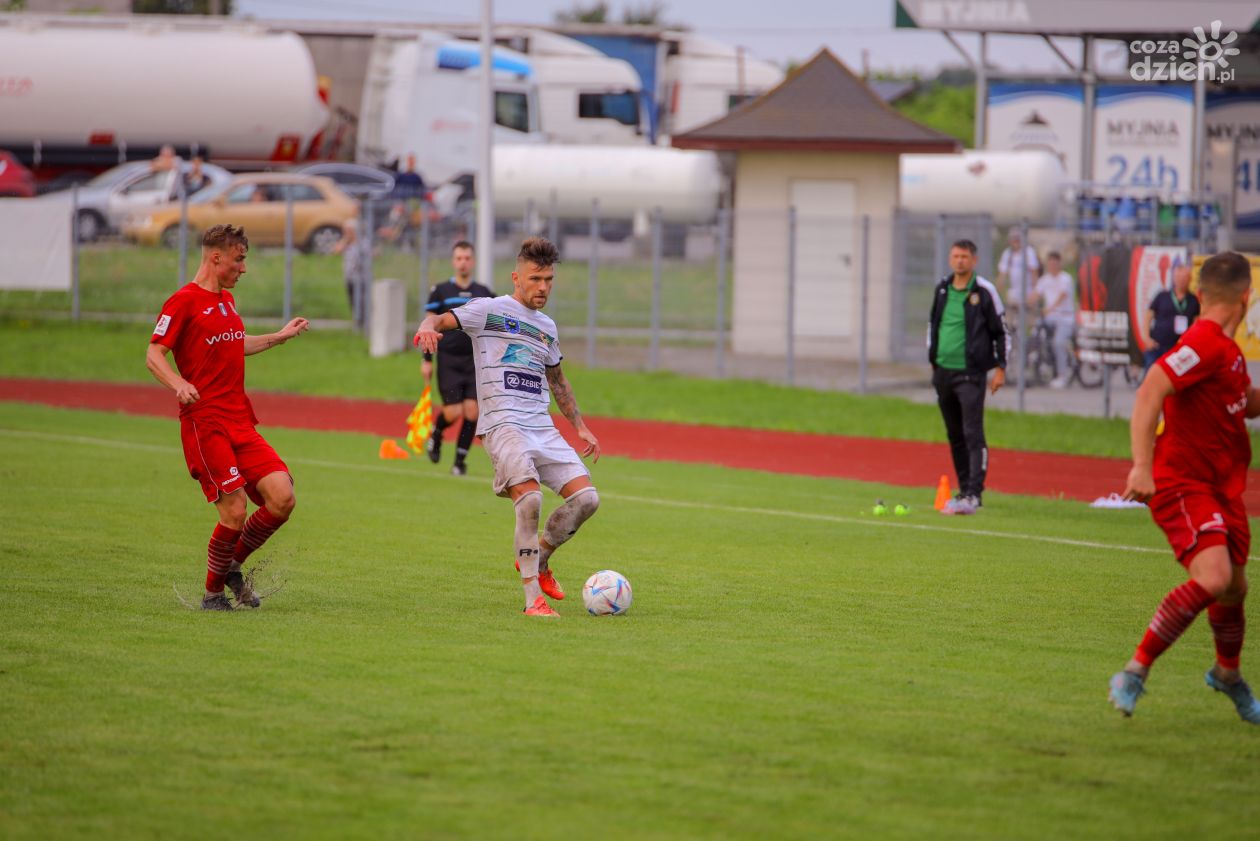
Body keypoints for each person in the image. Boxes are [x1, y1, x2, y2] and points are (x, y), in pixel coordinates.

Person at [413, 236, 601, 617]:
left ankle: (540, 557)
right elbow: (438, 319)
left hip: (541, 427)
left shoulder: (547, 327)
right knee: (530, 500)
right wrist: (427, 326)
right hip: (503, 424)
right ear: (517, 278)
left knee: (587, 500)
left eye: (549, 280)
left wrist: (580, 426)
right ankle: (533, 600)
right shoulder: (488, 310)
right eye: (535, 279)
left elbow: (558, 381)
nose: (543, 287)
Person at [1110, 251, 1260, 724]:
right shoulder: (1205, 342)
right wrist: (1142, 466)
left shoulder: (1228, 352)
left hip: (1222, 488)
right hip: (1182, 482)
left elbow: (1243, 402)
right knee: (1214, 578)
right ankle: (1134, 671)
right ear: (1247, 296)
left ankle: (1227, 674)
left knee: (1234, 588)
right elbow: (1151, 387)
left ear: (1199, 293)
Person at [146, 224, 310, 611]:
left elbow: (236, 344)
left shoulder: (227, 302)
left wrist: (278, 336)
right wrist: (178, 383)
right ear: (216, 258)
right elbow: (154, 354)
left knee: (282, 498)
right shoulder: (182, 302)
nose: (244, 268)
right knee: (235, 512)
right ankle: (212, 595)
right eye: (239, 260)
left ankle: (232, 566)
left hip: (239, 419)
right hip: (206, 424)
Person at [927, 239, 1008, 516]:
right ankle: (963, 491)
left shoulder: (984, 291)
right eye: (955, 256)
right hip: (943, 372)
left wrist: (1000, 367)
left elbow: (1001, 331)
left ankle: (975, 493)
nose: (959, 261)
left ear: (974, 260)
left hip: (971, 374)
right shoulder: (942, 288)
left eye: (964, 256)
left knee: (973, 432)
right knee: (955, 434)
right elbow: (933, 325)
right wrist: (933, 360)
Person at [421, 240, 494, 475]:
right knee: (453, 413)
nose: (463, 262)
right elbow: (428, 327)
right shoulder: (441, 291)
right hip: (449, 360)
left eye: (467, 258)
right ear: (454, 261)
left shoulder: (484, 293)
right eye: (459, 258)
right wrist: (426, 360)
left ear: (473, 261)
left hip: (475, 362)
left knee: (473, 412)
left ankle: (459, 462)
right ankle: (437, 433)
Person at [1143, 264, 1200, 373]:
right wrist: (1146, 338)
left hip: (1180, 350)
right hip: (1158, 347)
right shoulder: (1162, 296)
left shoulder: (1193, 300)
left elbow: (1196, 323)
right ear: (1174, 278)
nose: (1182, 280)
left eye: (1185, 277)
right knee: (1152, 376)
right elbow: (1148, 316)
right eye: (1179, 277)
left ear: (1190, 279)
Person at [1033, 251, 1076, 389]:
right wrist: (1022, 304)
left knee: (1058, 342)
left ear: (1059, 263)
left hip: (1065, 317)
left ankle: (1062, 375)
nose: (1052, 265)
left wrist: (1050, 308)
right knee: (1035, 333)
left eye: (1055, 263)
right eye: (1050, 262)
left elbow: (1063, 295)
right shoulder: (1045, 279)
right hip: (1049, 318)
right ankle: (1042, 362)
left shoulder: (1066, 279)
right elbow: (1035, 295)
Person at [997, 226, 1040, 332]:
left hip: (1028, 291)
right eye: (1014, 239)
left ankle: (1030, 339)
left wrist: (1035, 292)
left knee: (1030, 321)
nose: (1016, 242)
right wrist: (999, 293)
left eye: (1018, 239)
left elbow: (1034, 272)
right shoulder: (1008, 254)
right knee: (1009, 321)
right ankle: (1012, 339)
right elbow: (1002, 275)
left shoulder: (1028, 252)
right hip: (1014, 292)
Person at [332, 217, 370, 330]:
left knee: (361, 301)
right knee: (352, 299)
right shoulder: (346, 243)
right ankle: (357, 320)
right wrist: (346, 239)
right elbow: (336, 251)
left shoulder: (363, 242)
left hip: (361, 277)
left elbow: (372, 253)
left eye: (348, 230)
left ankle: (363, 322)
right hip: (349, 277)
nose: (346, 233)